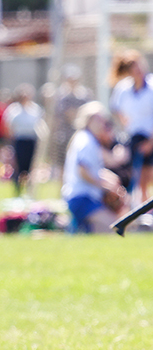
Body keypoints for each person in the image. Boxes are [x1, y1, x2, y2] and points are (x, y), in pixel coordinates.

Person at [62, 101, 127, 233]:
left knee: (94, 232)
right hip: (82, 198)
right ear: (89, 120)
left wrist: (109, 178)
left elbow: (92, 169)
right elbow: (83, 171)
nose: (102, 122)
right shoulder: (85, 140)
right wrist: (104, 186)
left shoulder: (89, 139)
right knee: (113, 229)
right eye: (99, 118)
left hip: (86, 197)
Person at [109, 49, 153, 204]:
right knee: (137, 178)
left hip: (150, 138)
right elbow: (116, 108)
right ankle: (141, 211)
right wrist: (126, 124)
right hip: (134, 139)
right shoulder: (123, 89)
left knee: (148, 177)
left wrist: (150, 142)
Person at [46, 66, 91, 181]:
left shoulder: (84, 95)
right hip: (64, 136)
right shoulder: (61, 96)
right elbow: (65, 114)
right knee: (62, 165)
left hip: (79, 135)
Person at [1, 83, 46, 197]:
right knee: (19, 167)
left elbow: (41, 125)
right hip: (19, 140)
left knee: (32, 166)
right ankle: (18, 191)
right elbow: (7, 127)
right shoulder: (13, 110)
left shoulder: (35, 109)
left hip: (32, 140)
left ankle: (31, 192)